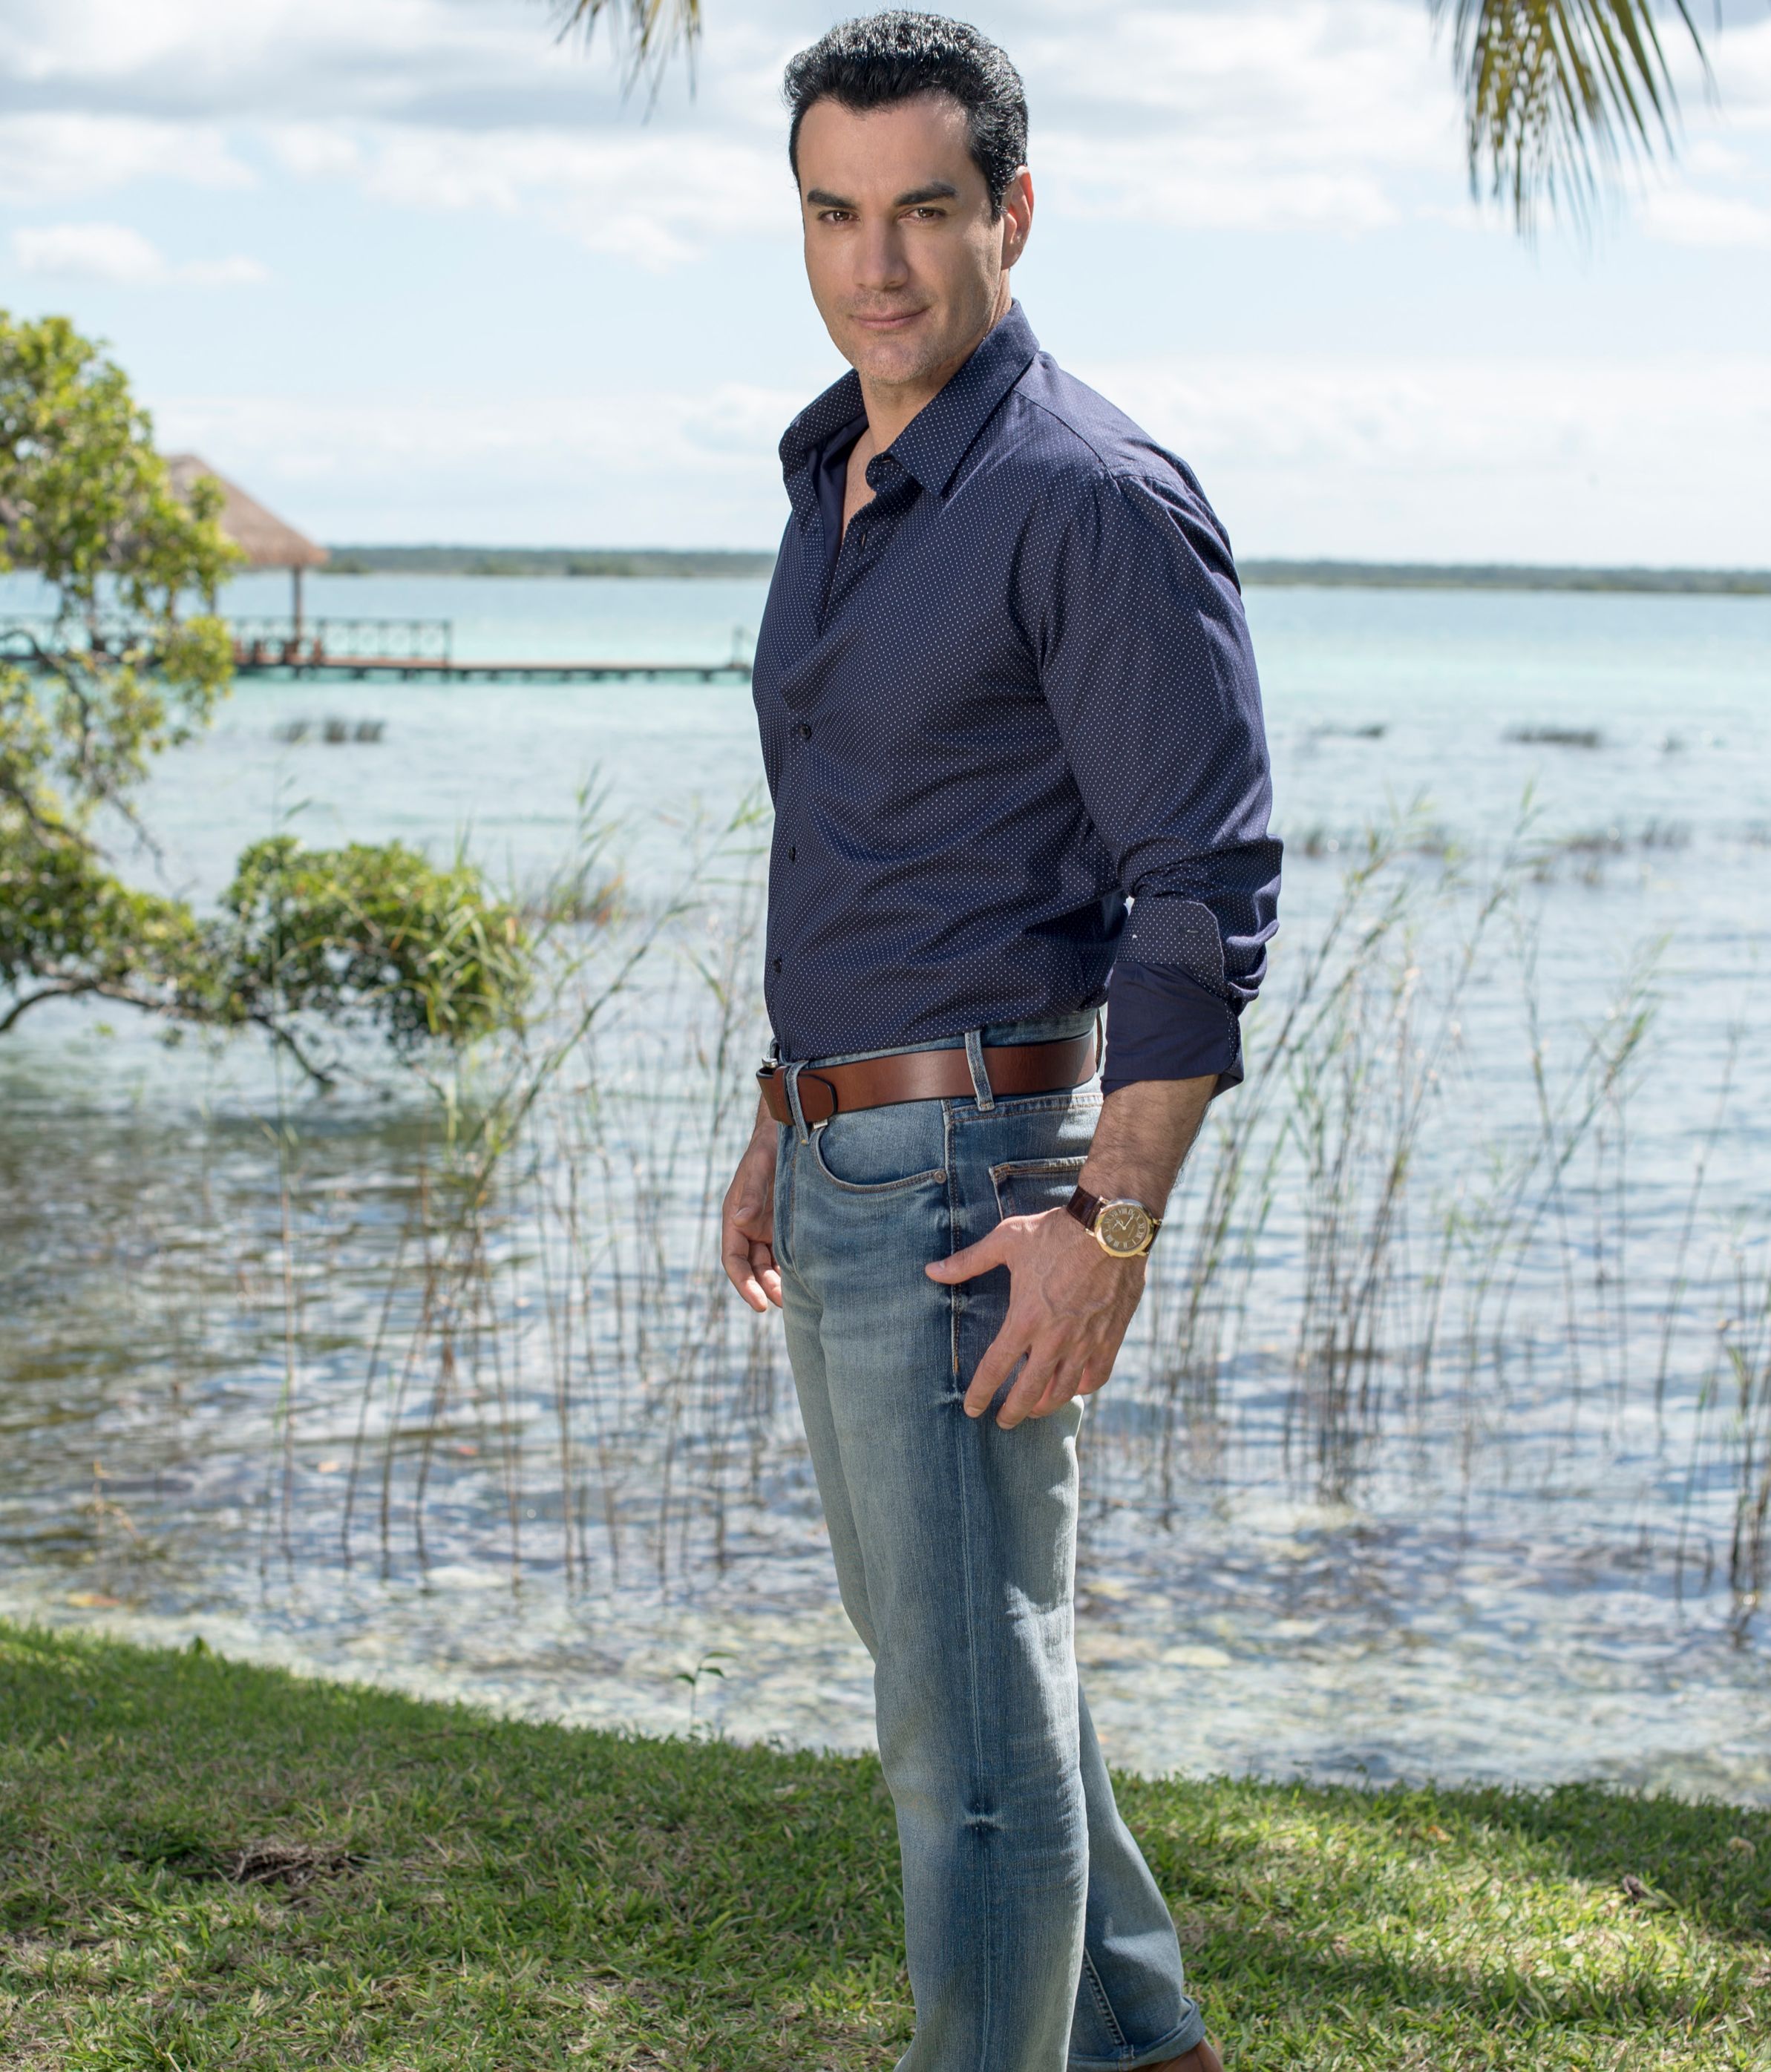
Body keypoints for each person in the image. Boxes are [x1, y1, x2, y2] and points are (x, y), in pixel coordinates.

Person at [719, 13, 1281, 2069]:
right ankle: (1145, 2045)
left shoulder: (1086, 496)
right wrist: (782, 1108)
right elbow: (863, 836)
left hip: (974, 1185)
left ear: (1012, 212)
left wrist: (1104, 1229)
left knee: (962, 1740)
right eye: (833, 214)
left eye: (924, 212)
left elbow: (1198, 893)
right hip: (852, 1149)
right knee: (964, 1663)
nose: (875, 265)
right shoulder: (835, 470)